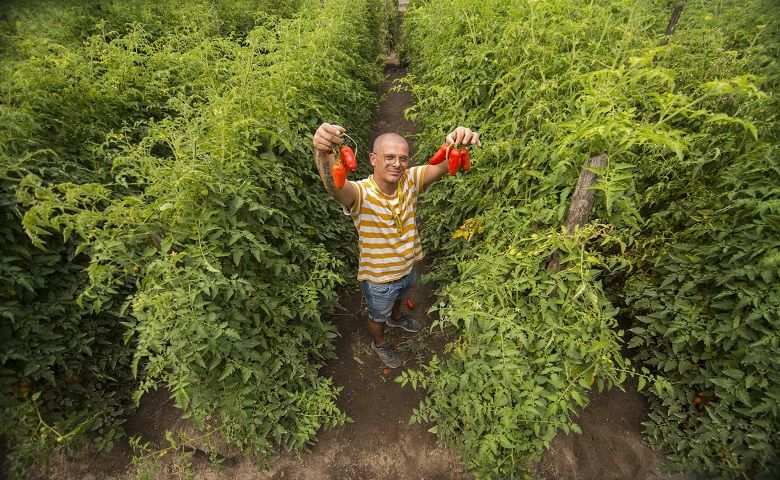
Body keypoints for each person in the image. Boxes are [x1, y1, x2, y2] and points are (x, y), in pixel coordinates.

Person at [312, 123, 481, 368]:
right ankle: (379, 342)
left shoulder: (410, 180)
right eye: (389, 157)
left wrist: (458, 142)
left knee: (402, 293)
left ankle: (397, 316)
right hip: (378, 279)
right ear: (373, 159)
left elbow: (445, 165)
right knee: (376, 315)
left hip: (407, 267)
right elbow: (333, 186)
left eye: (403, 158)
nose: (397, 163)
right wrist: (322, 153)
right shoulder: (360, 194)